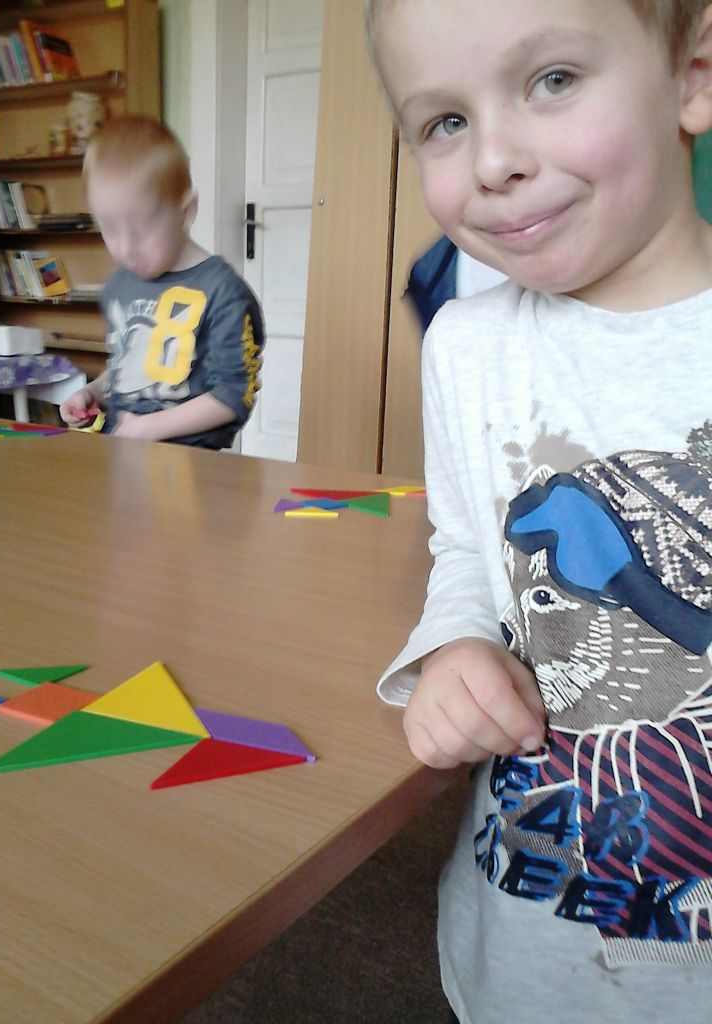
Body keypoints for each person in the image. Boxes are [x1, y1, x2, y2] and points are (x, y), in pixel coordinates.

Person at [366, 1, 712, 1021]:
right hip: (527, 933)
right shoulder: (465, 347)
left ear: (693, 74)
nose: (492, 161)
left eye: (552, 80)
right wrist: (454, 646)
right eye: (445, 122)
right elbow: (468, 549)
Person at [60, 115, 264, 448]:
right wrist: (93, 392)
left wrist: (148, 428)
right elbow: (129, 369)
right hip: (123, 451)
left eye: (142, 229)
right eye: (109, 228)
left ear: (186, 211)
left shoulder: (222, 292)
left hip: (189, 462)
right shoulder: (120, 286)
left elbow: (234, 394)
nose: (126, 247)